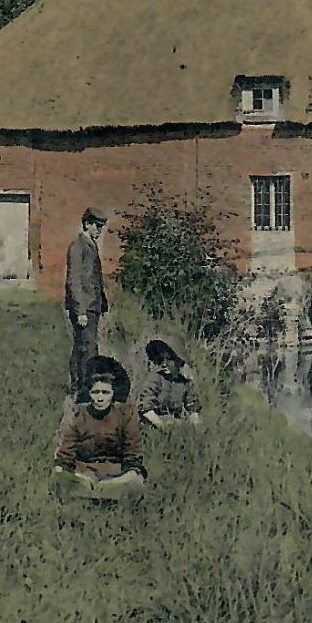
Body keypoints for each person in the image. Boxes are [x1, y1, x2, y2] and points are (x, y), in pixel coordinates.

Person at [54, 366, 146, 499]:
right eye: (95, 392)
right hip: (85, 472)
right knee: (62, 480)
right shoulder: (79, 415)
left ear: (113, 394)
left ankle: (105, 493)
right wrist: (64, 470)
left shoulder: (126, 415)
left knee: (135, 484)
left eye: (105, 392)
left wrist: (126, 476)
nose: (100, 398)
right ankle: (89, 494)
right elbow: (66, 453)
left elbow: (133, 454)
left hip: (117, 473)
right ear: (89, 393)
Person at [65, 207, 110, 395]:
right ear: (87, 224)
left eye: (102, 227)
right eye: (97, 226)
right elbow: (74, 280)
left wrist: (103, 304)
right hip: (84, 307)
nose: (99, 230)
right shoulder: (78, 246)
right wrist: (80, 310)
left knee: (82, 347)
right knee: (88, 348)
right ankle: (85, 388)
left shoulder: (90, 245)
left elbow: (94, 278)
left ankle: (78, 386)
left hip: (93, 306)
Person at [137, 337, 202, 428]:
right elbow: (146, 409)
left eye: (168, 360)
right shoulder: (155, 378)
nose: (164, 364)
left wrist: (195, 429)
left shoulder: (185, 382)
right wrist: (162, 426)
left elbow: (193, 409)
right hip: (153, 424)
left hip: (176, 425)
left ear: (178, 361)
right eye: (160, 360)